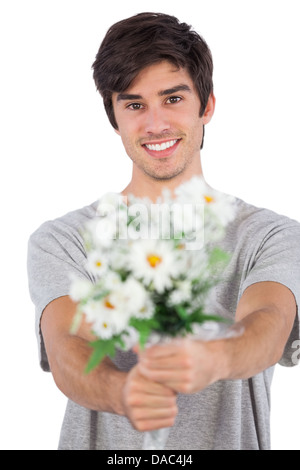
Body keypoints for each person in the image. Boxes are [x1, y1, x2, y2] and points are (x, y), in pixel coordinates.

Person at [27, 12, 300, 450]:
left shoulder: (270, 235)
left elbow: (268, 324)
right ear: (114, 117)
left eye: (172, 99)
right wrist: (122, 392)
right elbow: (68, 347)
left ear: (206, 105)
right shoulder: (64, 239)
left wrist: (214, 357)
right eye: (134, 104)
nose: (154, 125)